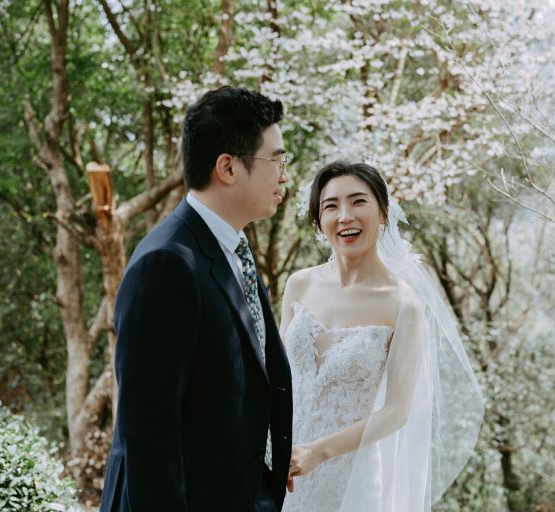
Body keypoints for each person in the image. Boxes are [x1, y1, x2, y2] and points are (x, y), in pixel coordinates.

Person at [99, 86, 293, 512]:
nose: (284, 174)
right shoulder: (167, 263)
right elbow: (148, 434)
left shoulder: (233, 247)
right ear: (228, 167)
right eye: (277, 160)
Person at [280, 161, 484, 511]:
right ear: (318, 220)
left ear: (383, 213)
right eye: (331, 206)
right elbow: (276, 377)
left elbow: (396, 411)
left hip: (349, 480)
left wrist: (317, 452)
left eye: (358, 201)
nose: (345, 216)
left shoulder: (403, 304)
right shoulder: (299, 284)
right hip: (283, 468)